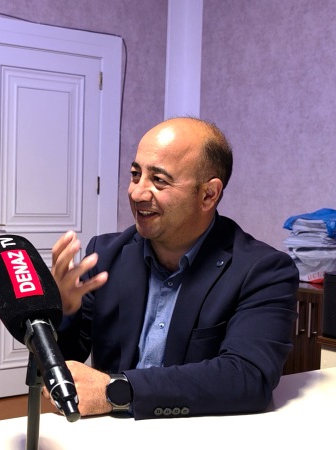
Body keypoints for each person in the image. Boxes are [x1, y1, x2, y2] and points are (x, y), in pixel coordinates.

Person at [51, 116, 299, 419]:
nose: (137, 193)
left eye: (159, 180)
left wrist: (117, 390)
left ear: (208, 194)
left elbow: (248, 377)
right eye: (135, 174)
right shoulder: (105, 256)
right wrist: (60, 312)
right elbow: (61, 370)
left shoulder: (263, 271)